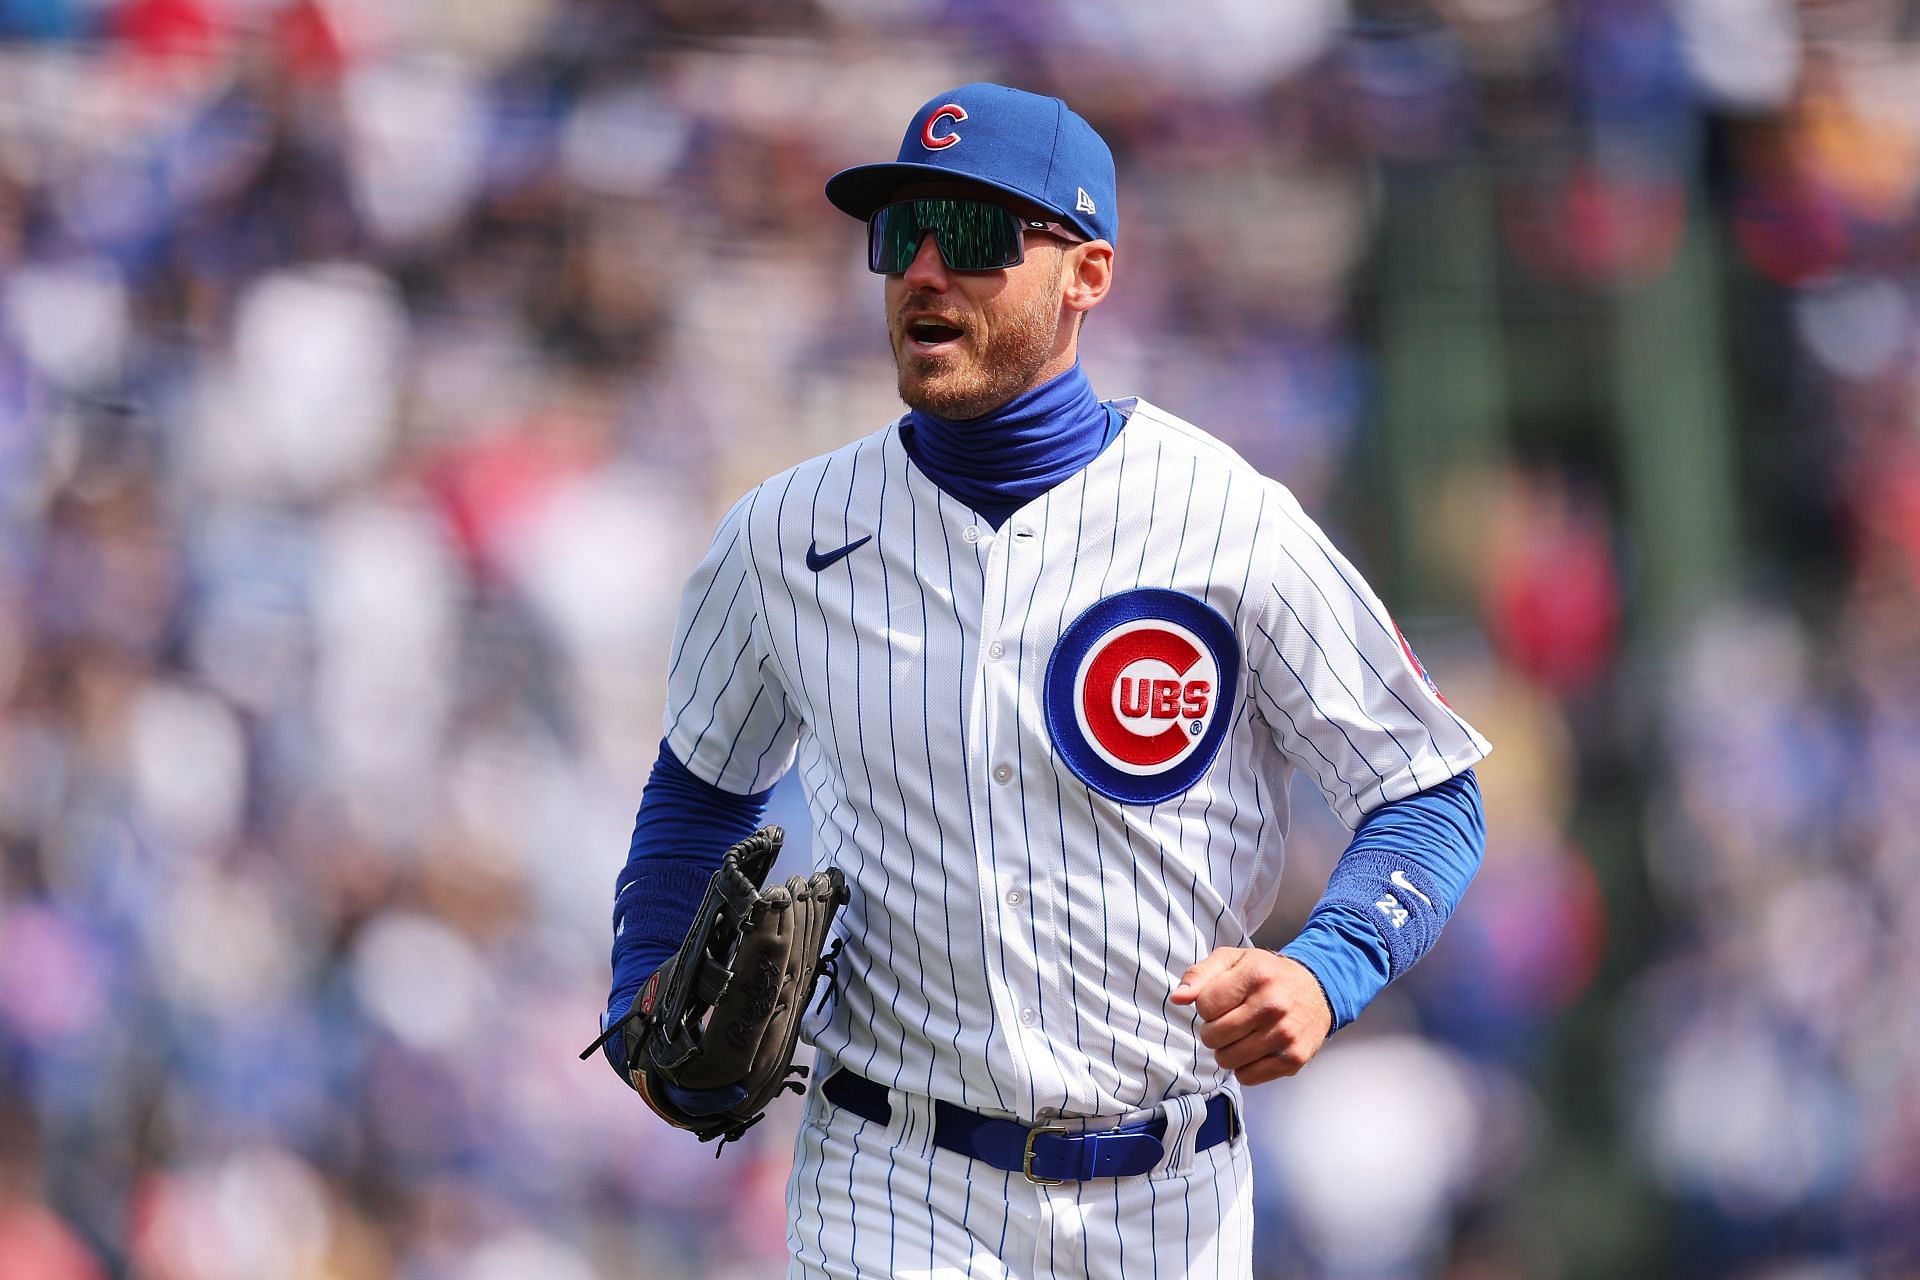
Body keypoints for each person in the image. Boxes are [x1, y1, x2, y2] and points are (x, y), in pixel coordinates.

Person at [601, 82, 1491, 1278]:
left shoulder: (1229, 521)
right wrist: (643, 986)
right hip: (894, 1176)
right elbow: (702, 783)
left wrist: (1325, 970)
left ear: (1089, 274)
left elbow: (1429, 792)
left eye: (972, 237)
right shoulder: (785, 533)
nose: (923, 270)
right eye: (897, 235)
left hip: (1170, 1197)